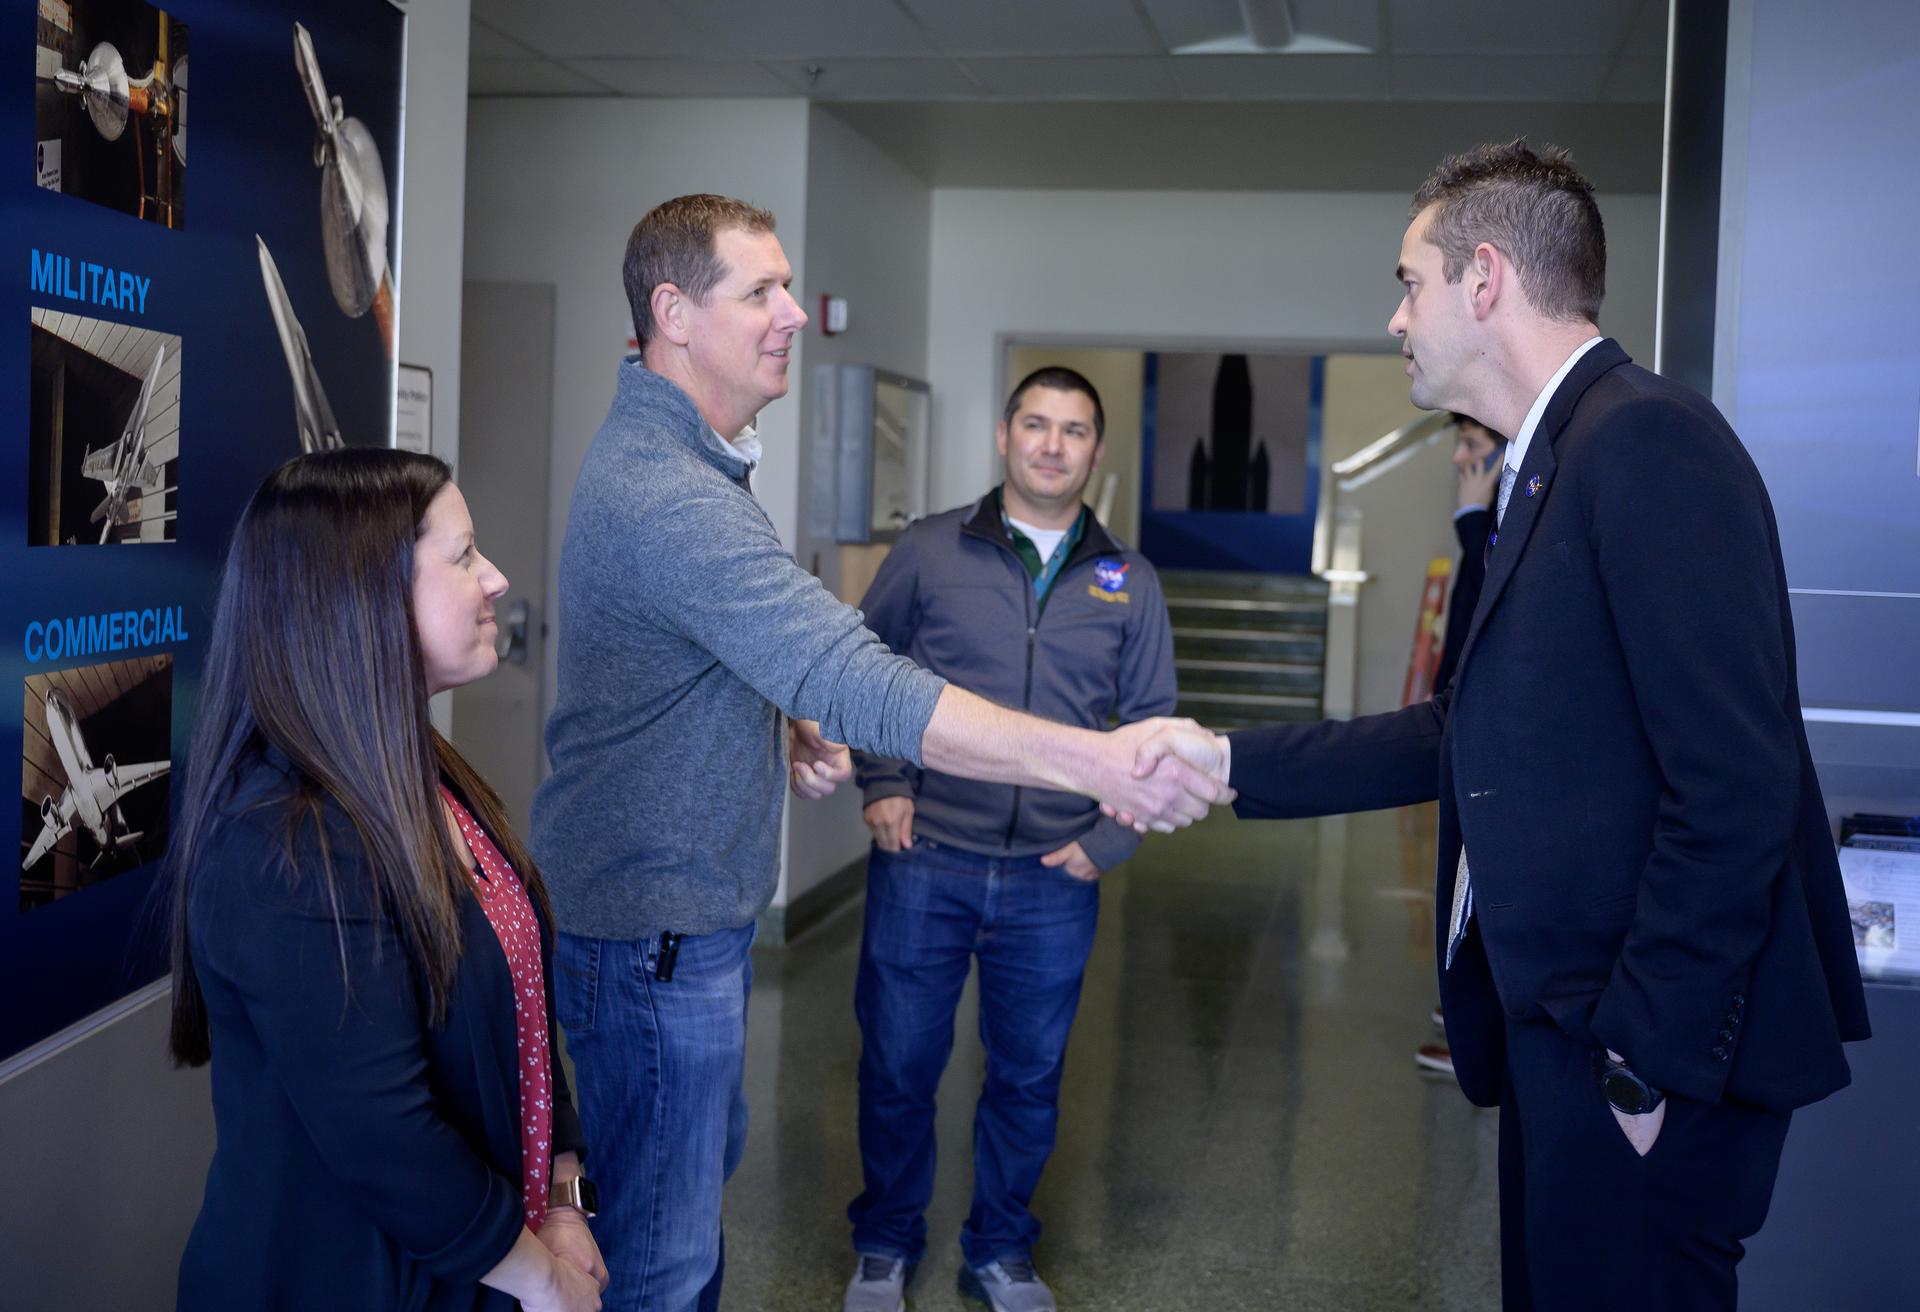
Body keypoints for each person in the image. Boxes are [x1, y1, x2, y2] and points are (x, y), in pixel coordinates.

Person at [1129, 140, 1869, 1310]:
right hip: (1568, 1028)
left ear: (1485, 279)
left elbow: (1734, 783)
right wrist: (1224, 759)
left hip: (1642, 1051)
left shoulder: (1647, 442)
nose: (1395, 317)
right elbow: (1465, 729)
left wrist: (1640, 1064)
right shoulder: (1548, 466)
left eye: (1408, 281)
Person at [530, 194, 1230, 1312]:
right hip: (656, 937)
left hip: (686, 931)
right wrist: (1097, 765)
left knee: (679, 1224)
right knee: (661, 1265)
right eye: (761, 290)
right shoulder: (673, 495)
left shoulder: (702, 472)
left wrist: (782, 714)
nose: (795, 315)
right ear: (673, 312)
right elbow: (863, 667)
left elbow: (727, 652)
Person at [165, 450, 609, 1312]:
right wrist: (541, 1278)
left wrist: (562, 1199)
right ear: (362, 598)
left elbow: (521, 1012)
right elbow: (387, 1139)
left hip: (479, 1262)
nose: (496, 578)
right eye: (464, 555)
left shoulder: (420, 772)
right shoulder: (283, 847)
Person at [841, 367, 1175, 1312]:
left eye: (1074, 431)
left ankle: (1000, 1249)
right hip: (926, 857)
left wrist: (1109, 842)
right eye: (1036, 424)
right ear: (1004, 435)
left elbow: (1154, 726)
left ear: (1096, 452)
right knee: (900, 1065)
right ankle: (883, 1244)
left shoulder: (1129, 581)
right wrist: (884, 783)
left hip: (1053, 876)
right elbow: (864, 670)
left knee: (1027, 1077)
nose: (1052, 445)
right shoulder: (930, 549)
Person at [1417, 413, 1506, 1077]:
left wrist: (1473, 519)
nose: (1462, 461)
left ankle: (1479, 1035)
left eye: (1473, 448)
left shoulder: (1508, 513)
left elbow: (1490, 605)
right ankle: (1468, 1011)